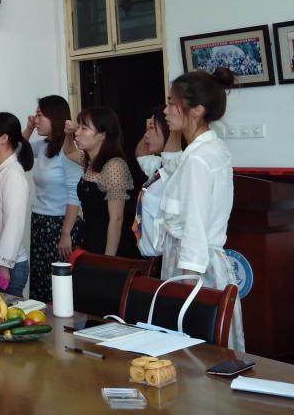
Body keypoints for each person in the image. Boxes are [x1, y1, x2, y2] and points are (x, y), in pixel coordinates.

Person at [160, 67, 244, 350]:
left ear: (196, 110)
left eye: (172, 103)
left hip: (194, 269)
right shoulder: (207, 149)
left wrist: (188, 287)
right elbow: (171, 164)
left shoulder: (199, 158)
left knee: (195, 348)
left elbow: (195, 225)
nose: (166, 110)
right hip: (198, 263)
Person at [22, 96, 83, 301]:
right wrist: (29, 127)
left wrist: (65, 233)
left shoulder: (69, 150)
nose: (36, 119)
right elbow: (16, 152)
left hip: (60, 224)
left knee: (58, 286)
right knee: (40, 281)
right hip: (40, 221)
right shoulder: (43, 145)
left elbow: (74, 194)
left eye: (40, 115)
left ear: (54, 117)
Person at [63, 107, 138, 257]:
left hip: (109, 246)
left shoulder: (114, 166)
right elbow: (69, 151)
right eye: (78, 127)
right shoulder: (90, 161)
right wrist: (68, 134)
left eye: (84, 128)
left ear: (102, 135)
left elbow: (116, 219)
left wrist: (108, 260)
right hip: (90, 240)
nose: (77, 133)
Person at [0, 112, 34, 297]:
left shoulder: (13, 175)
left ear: (4, 138)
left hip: (8, 265)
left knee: (6, 313)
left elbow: (14, 223)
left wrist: (3, 266)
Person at [133, 106, 181, 258]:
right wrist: (149, 127)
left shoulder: (177, 169)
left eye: (152, 128)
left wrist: (175, 127)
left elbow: (172, 156)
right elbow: (140, 154)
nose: (147, 135)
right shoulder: (160, 165)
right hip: (149, 258)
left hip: (165, 259)